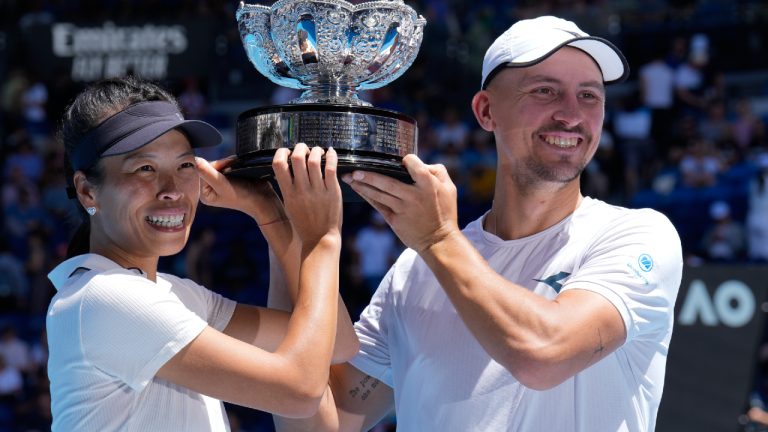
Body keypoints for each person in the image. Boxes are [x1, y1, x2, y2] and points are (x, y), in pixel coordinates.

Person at [274, 16, 683, 431]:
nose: (572, 115)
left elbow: (543, 354)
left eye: (590, 96)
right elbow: (320, 421)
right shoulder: (415, 270)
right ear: (486, 111)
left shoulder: (636, 236)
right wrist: (281, 225)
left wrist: (437, 239)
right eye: (546, 91)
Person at [46, 76, 357, 431]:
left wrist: (269, 213)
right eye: (145, 168)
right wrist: (321, 239)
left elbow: (336, 343)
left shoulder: (176, 294)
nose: (172, 190)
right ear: (87, 191)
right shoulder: (104, 297)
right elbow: (299, 391)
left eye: (184, 166)